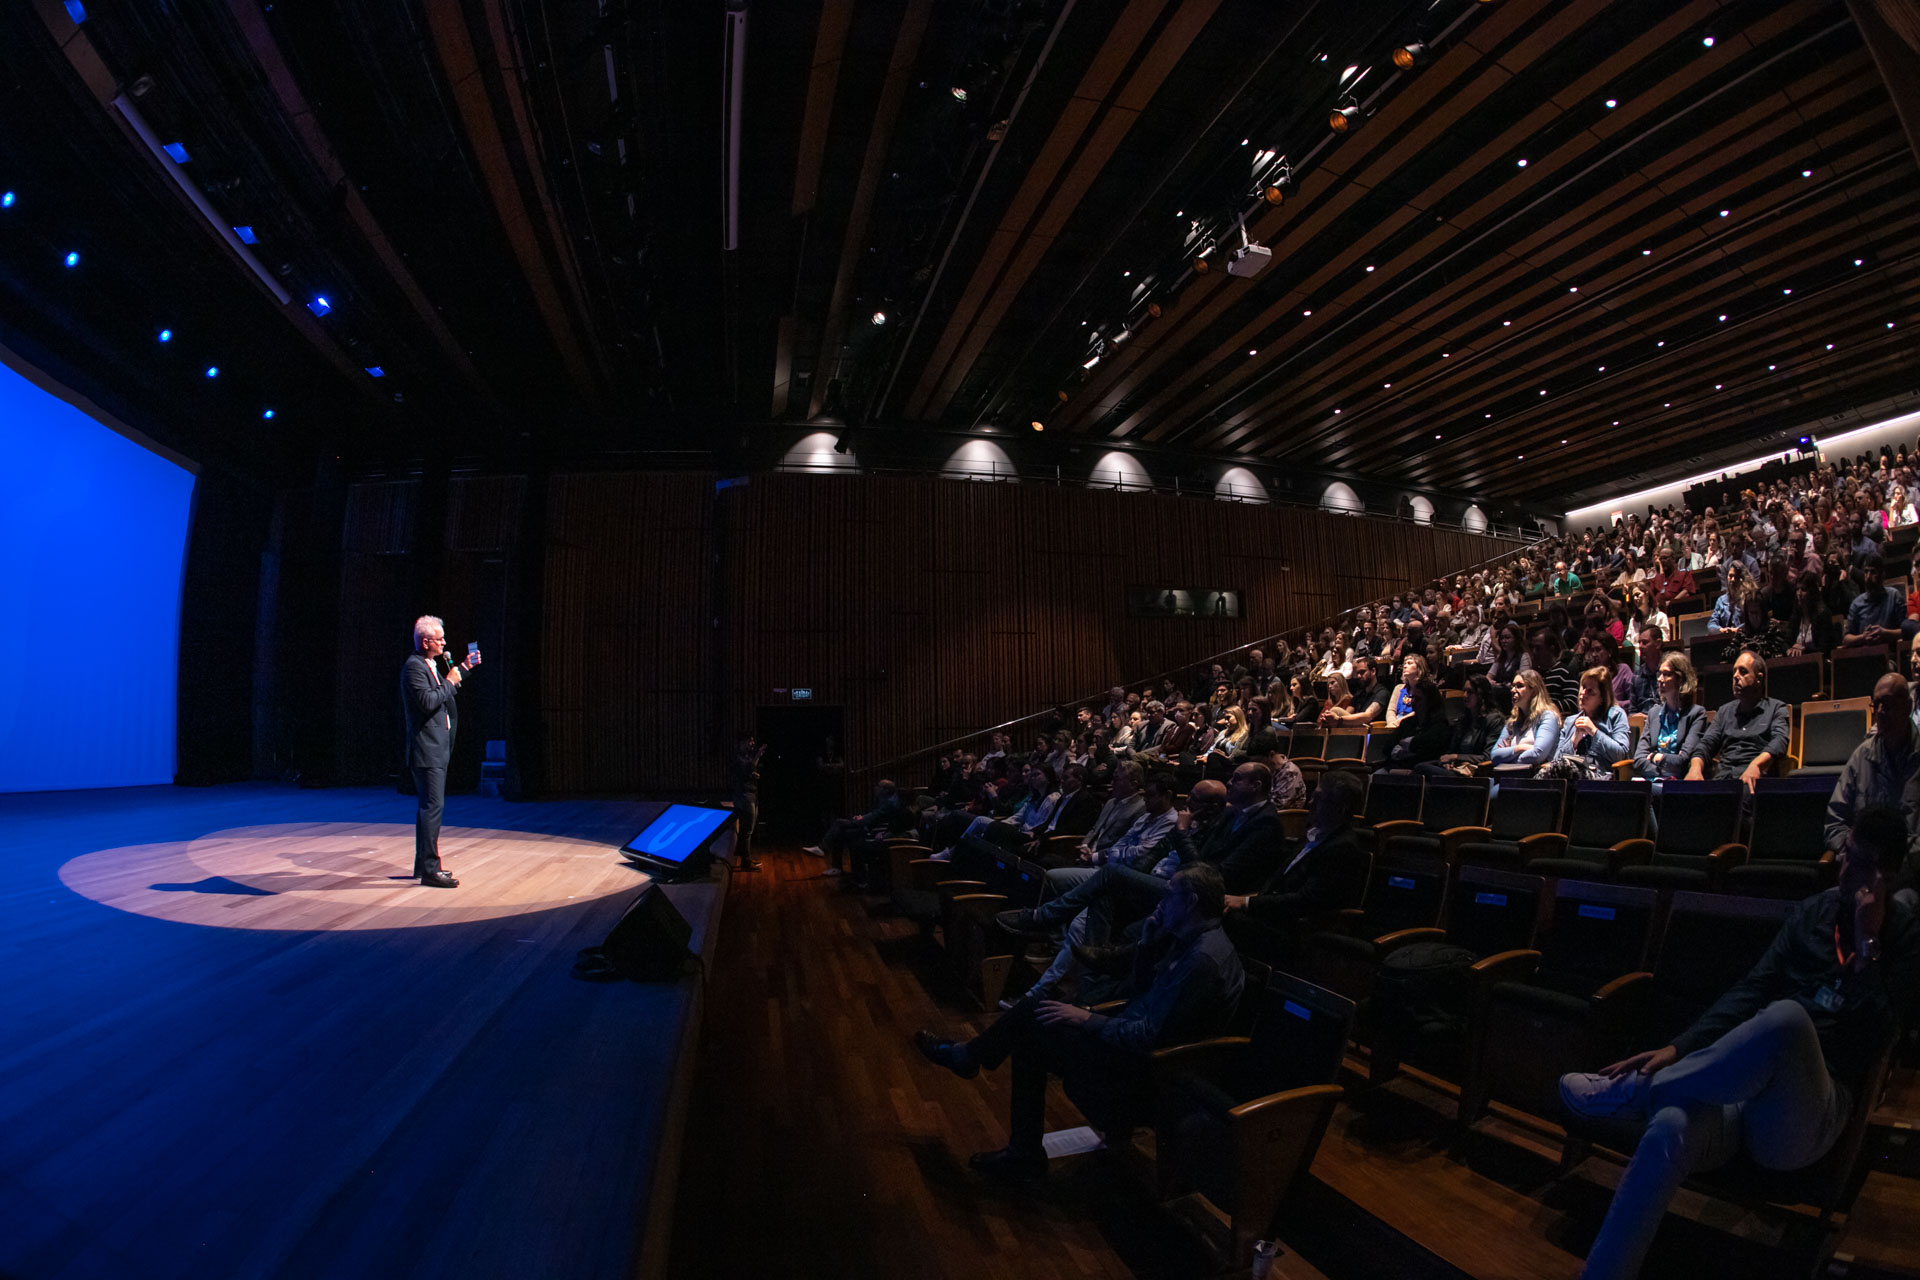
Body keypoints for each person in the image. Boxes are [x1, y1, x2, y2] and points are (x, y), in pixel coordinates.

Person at [1557, 805, 1918, 1280]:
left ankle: (1639, 1089)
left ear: (1890, 874)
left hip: (1808, 1115)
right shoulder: (1814, 912)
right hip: (1743, 1093)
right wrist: (1678, 1047)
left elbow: (1879, 1040)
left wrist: (1867, 946)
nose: (1847, 870)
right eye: (1846, 854)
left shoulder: (1905, 933)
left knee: (1788, 1019)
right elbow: (1752, 988)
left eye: (1864, 863)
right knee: (1669, 1126)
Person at [912, 864, 1246, 1181]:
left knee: (1033, 1023)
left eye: (1167, 894)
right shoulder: (1190, 939)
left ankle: (980, 1079)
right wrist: (1146, 940)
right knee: (1036, 1020)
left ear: (1190, 902)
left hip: (1150, 1071)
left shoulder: (1202, 960)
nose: (1160, 901)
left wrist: (1087, 1019)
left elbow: (1148, 1035)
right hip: (1132, 1045)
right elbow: (1142, 993)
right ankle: (1012, 1135)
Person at [400, 615, 478, 888]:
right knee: (432, 808)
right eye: (440, 639)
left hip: (437, 747)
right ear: (425, 642)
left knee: (430, 808)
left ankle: (423, 867)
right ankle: (432, 871)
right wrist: (449, 680)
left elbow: (442, 692)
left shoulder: (428, 663)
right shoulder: (413, 667)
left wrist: (463, 670)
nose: (445, 642)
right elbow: (428, 701)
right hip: (427, 749)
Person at [1824, 675, 1920, 855]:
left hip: (1911, 872)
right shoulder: (1861, 756)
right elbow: (1835, 822)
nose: (1881, 711)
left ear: (1908, 706)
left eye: (1888, 703)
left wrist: (1894, 865)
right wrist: (1854, 855)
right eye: (1876, 705)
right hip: (1863, 868)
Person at [1685, 650, 1790, 792]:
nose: (1735, 676)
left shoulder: (1776, 708)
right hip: (1724, 777)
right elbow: (1706, 744)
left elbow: (1780, 741)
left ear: (1759, 678)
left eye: (1743, 671)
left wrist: (1756, 765)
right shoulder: (1724, 712)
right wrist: (1695, 768)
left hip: (1755, 777)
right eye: (1734, 671)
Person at [803, 779, 905, 877]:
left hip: (874, 830)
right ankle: (834, 865)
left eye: (878, 786)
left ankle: (823, 850)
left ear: (885, 790)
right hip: (870, 825)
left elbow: (876, 816)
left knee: (839, 823)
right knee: (840, 833)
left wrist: (861, 819)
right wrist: (862, 817)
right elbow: (875, 814)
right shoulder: (886, 798)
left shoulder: (889, 802)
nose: (875, 788)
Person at [1543, 667, 1632, 780]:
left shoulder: (1616, 715)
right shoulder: (1571, 721)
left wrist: (1594, 732)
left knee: (1564, 767)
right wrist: (1574, 741)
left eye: (1590, 691)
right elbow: (1556, 760)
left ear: (1602, 698)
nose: (1583, 693)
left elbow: (1620, 754)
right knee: (1554, 769)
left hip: (1602, 775)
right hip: (1571, 774)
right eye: (1583, 687)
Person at [1631, 652, 1705, 785]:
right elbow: (1639, 760)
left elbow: (1684, 761)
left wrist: (1654, 756)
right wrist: (1662, 770)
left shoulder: (1696, 714)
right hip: (1652, 782)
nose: (1660, 679)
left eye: (1667, 674)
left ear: (1681, 679)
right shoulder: (1654, 714)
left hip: (1678, 785)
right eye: (1659, 673)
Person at [1491, 670, 1562, 768]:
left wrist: (1508, 756)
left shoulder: (1547, 717)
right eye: (1513, 686)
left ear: (1534, 690)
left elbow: (1537, 755)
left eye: (1519, 686)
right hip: (1509, 776)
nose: (1513, 690)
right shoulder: (1512, 723)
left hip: (1535, 779)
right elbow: (1494, 756)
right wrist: (1520, 748)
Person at [1841, 552, 1912, 646]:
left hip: (1890, 654)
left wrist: (1885, 633)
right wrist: (1862, 637)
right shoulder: (1857, 603)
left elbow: (1906, 632)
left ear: (1882, 574)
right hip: (1864, 654)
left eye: (1873, 572)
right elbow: (1846, 639)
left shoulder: (1894, 596)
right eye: (1866, 572)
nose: (1868, 577)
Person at [728, 731, 765, 871]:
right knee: (746, 829)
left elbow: (748, 773)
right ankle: (746, 862)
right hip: (743, 797)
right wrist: (758, 756)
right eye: (750, 741)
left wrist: (754, 774)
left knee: (749, 829)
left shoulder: (745, 757)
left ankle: (746, 857)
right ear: (741, 743)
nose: (753, 744)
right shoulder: (737, 758)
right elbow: (748, 768)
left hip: (750, 795)